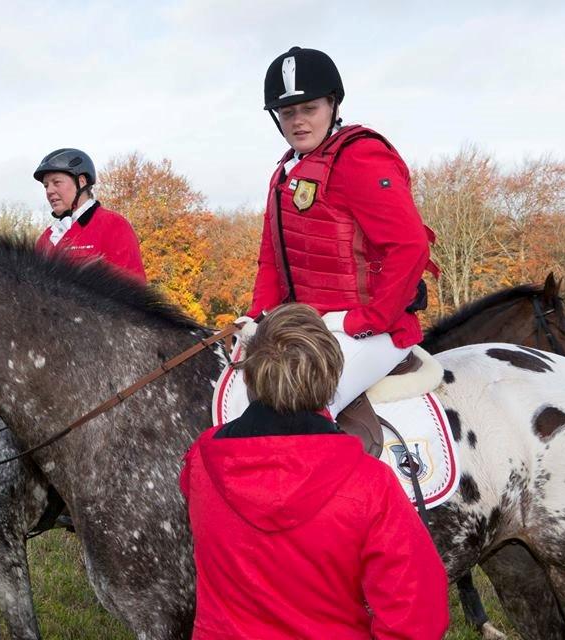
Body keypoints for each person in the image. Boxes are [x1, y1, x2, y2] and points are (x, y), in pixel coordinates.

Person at [180, 304, 449, 639]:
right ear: (332, 380)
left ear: (247, 375)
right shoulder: (370, 486)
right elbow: (417, 616)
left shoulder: (202, 461)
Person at [247, 47, 438, 417]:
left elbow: (411, 246)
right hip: (308, 327)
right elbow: (271, 257)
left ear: (333, 105)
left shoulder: (360, 157)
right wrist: (257, 316)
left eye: (309, 109)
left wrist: (367, 320)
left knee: (295, 407)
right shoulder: (286, 171)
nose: (298, 121)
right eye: (288, 112)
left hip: (372, 330)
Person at [33, 148, 147, 284]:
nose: (49, 191)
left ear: (81, 181)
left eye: (56, 182)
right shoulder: (46, 239)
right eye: (46, 186)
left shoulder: (114, 225)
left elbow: (134, 290)